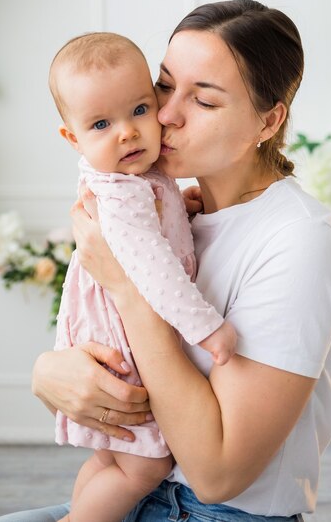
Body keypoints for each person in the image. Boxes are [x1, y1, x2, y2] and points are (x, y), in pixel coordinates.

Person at [0, 0, 331, 522]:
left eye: (203, 101)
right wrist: (50, 374)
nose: (163, 116)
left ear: (268, 121)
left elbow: (217, 475)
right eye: (163, 86)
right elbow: (122, 371)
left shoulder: (300, 243)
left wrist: (126, 290)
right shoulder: (170, 213)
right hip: (135, 493)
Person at [48, 32, 237, 522]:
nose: (127, 133)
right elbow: (154, 272)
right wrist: (206, 326)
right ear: (73, 138)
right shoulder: (122, 194)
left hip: (114, 323)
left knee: (110, 457)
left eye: (138, 110)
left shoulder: (141, 177)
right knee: (144, 464)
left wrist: (181, 207)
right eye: (101, 124)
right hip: (122, 337)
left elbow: (152, 229)